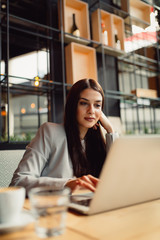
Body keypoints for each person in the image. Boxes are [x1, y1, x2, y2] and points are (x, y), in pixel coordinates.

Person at [10, 78, 118, 195]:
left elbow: (118, 179)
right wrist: (67, 184)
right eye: (84, 103)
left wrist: (110, 130)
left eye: (97, 105)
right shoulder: (49, 132)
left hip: (90, 207)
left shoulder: (96, 143)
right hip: (55, 207)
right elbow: (18, 182)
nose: (91, 111)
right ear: (72, 106)